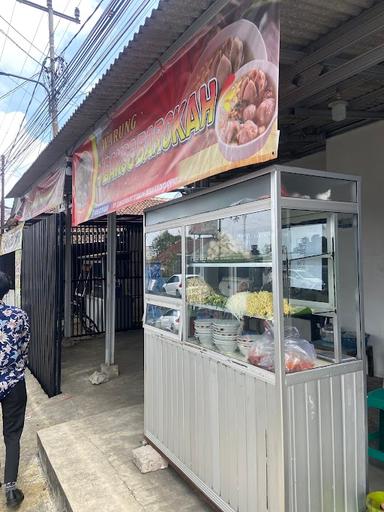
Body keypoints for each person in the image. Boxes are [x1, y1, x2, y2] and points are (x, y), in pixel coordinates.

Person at [0, 272, 30, 509]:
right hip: (13, 382)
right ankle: (10, 489)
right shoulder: (18, 316)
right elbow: (24, 346)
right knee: (12, 434)